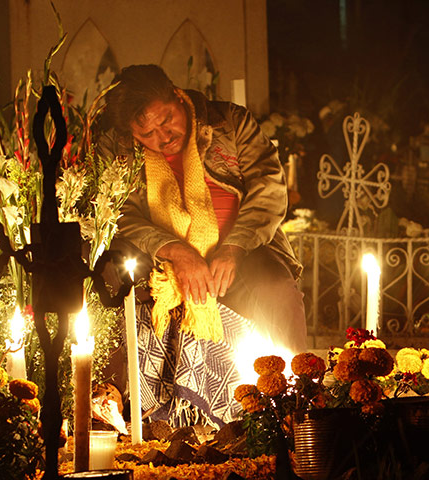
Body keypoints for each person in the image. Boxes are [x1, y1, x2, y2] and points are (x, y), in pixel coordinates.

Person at [99, 64, 306, 425]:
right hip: (158, 259)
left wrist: (234, 247)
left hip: (242, 249)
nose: (163, 137)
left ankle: (292, 404)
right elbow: (118, 214)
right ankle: (135, 413)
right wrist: (175, 251)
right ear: (132, 134)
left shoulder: (228, 122)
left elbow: (270, 188)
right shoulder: (116, 149)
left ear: (177, 95)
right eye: (147, 133)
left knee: (275, 289)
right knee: (126, 295)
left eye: (167, 120)